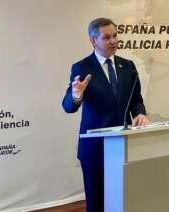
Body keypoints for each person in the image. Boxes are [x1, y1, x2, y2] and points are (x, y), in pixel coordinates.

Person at [62, 17, 149, 212]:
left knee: (124, 199)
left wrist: (140, 114)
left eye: (115, 36)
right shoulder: (82, 67)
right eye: (107, 37)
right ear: (93, 41)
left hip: (125, 145)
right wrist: (76, 94)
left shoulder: (128, 66)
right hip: (95, 149)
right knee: (98, 203)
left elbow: (136, 99)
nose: (113, 41)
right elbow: (68, 106)